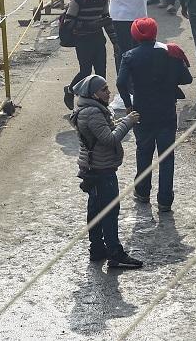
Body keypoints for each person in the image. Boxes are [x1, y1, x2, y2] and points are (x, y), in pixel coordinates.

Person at [117, 17, 193, 211]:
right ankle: (165, 200)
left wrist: (127, 104)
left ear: (135, 35)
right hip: (166, 112)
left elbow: (120, 82)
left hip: (141, 112)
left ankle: (142, 191)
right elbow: (187, 79)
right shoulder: (170, 52)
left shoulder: (129, 56)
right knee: (166, 157)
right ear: (155, 32)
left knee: (143, 152)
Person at [70, 75, 142, 269]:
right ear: (93, 94)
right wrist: (127, 122)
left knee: (95, 209)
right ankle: (114, 253)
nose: (109, 93)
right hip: (102, 170)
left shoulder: (87, 110)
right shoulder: (93, 113)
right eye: (104, 90)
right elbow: (109, 139)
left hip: (93, 168)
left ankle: (97, 249)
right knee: (110, 211)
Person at [61, 0, 119, 108]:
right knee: (85, 71)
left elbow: (106, 20)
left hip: (98, 39)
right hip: (83, 40)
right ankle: (70, 90)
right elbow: (68, 23)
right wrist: (89, 25)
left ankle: (101, 104)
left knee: (101, 73)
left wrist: (114, 41)